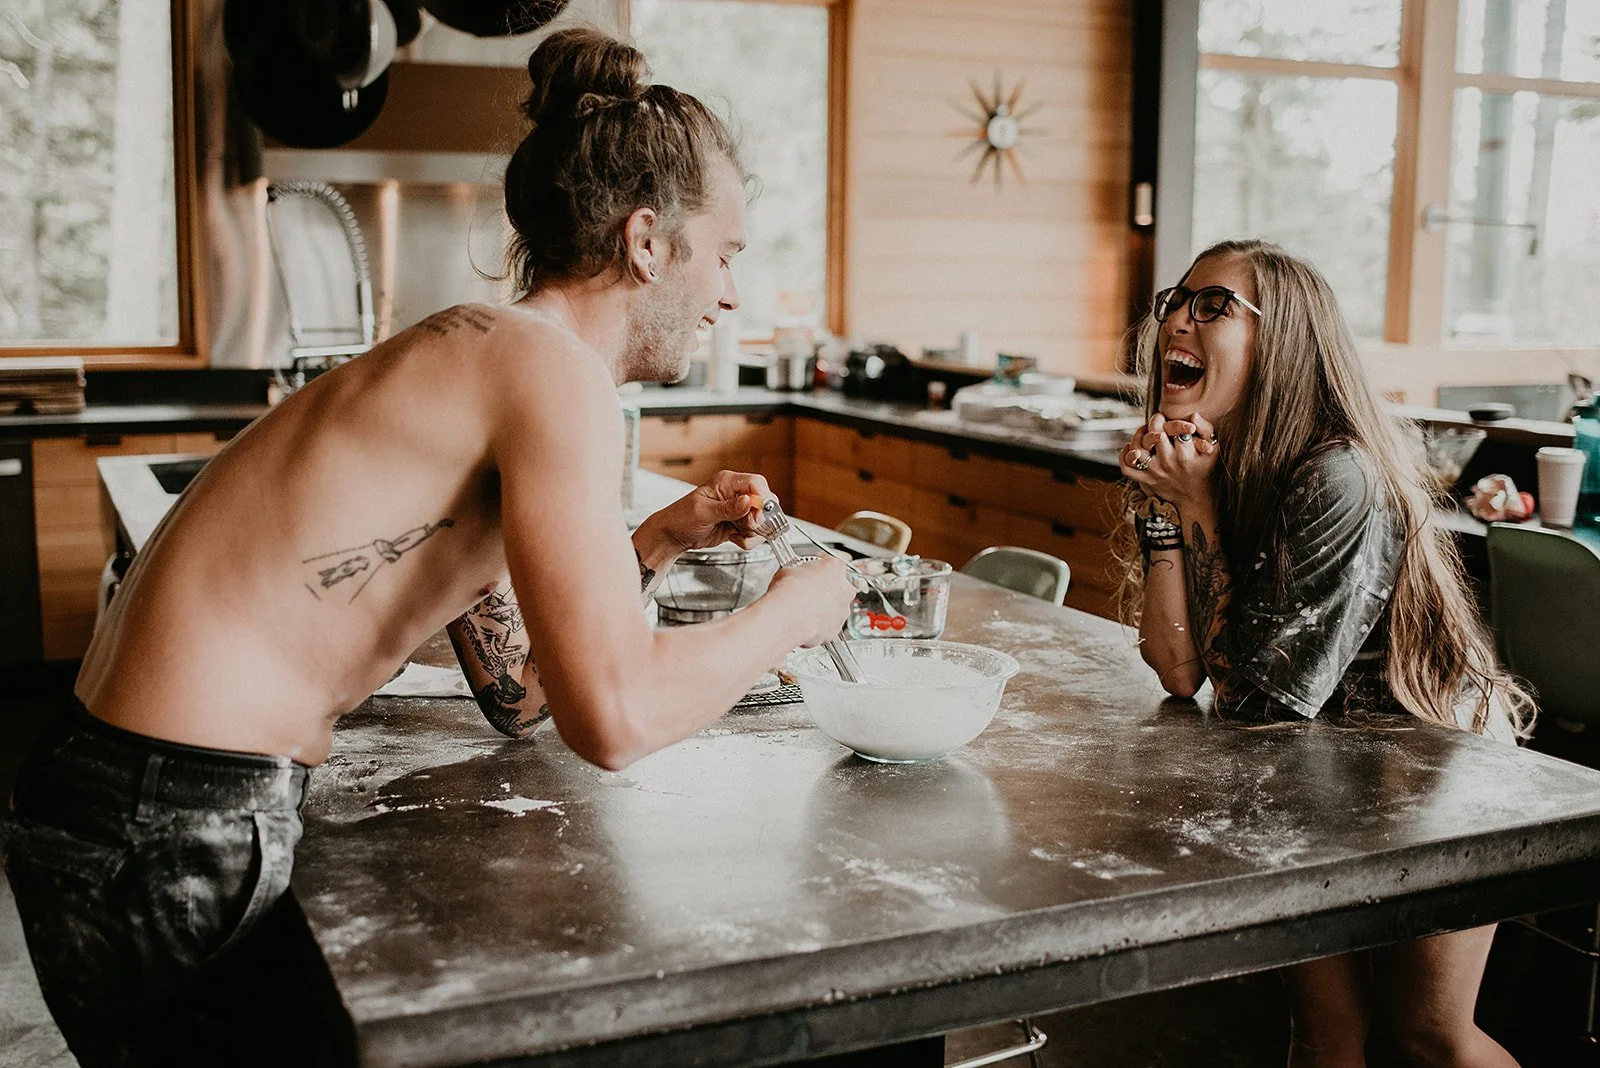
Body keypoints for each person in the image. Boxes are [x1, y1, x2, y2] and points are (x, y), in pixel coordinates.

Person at [3, 27, 856, 1068]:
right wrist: (791, 614)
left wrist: (664, 539)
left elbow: (521, 697)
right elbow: (615, 718)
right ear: (646, 243)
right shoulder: (552, 375)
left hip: (125, 800)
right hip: (166, 818)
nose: (730, 294)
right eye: (724, 254)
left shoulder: (488, 355)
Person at [1116, 238, 1533, 1068]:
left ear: (1287, 341)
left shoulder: (1340, 475)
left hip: (1435, 766)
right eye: (1177, 299)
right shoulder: (1208, 460)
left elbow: (1259, 703)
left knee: (1430, 1037)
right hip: (1312, 769)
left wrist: (1192, 501)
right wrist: (1169, 509)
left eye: (1214, 305)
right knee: (1327, 1033)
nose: (1178, 319)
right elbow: (1178, 670)